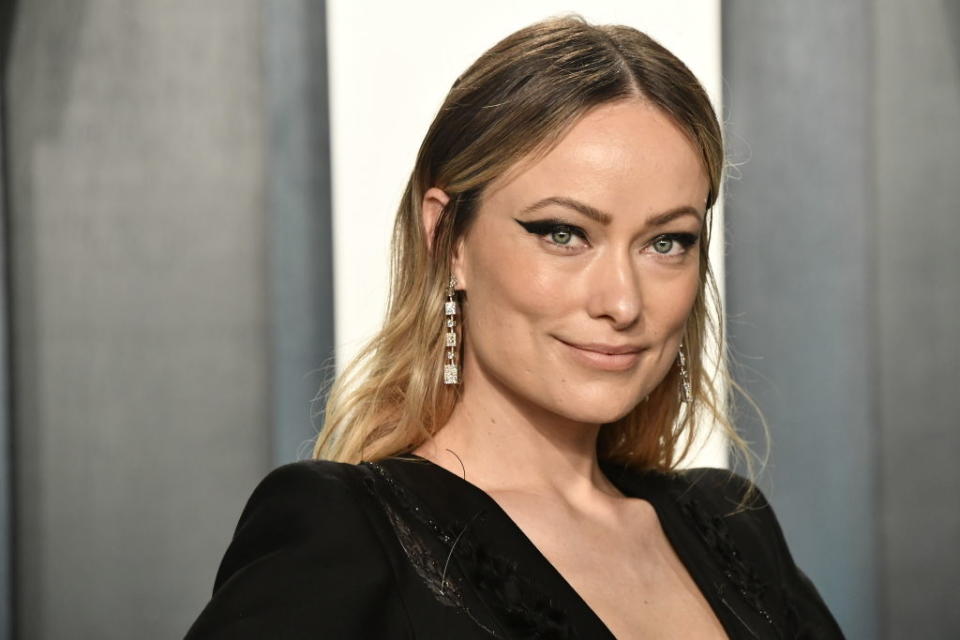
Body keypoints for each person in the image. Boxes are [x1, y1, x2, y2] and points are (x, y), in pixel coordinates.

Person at [185, 15, 844, 639]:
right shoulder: (348, 534)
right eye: (564, 233)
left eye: (666, 242)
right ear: (447, 238)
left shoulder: (736, 530)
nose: (622, 301)